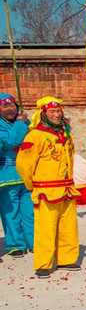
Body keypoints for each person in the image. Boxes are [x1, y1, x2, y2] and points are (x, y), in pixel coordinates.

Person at [15, 97, 81, 278]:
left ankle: (66, 258)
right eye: (52, 111)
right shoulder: (35, 135)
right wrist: (32, 185)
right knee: (45, 228)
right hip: (46, 189)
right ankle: (43, 263)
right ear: (43, 114)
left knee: (68, 226)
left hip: (66, 188)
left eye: (58, 111)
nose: (57, 114)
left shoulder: (66, 134)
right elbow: (24, 164)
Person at [0, 93, 34, 259]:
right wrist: (20, 125)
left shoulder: (25, 121)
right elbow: (10, 142)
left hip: (26, 173)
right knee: (10, 212)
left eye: (12, 105)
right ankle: (15, 244)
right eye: (5, 106)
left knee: (29, 212)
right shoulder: (5, 124)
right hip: (7, 175)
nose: (9, 109)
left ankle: (34, 242)